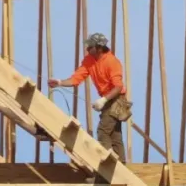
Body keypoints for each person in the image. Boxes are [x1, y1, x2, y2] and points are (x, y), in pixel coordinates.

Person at [48, 33, 131, 163]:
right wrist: (59, 82)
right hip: (108, 100)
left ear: (99, 48)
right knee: (115, 136)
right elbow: (76, 79)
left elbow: (118, 87)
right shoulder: (89, 60)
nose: (87, 49)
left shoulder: (112, 62)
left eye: (90, 47)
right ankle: (121, 167)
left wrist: (104, 100)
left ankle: (108, 168)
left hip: (116, 99)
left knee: (103, 132)